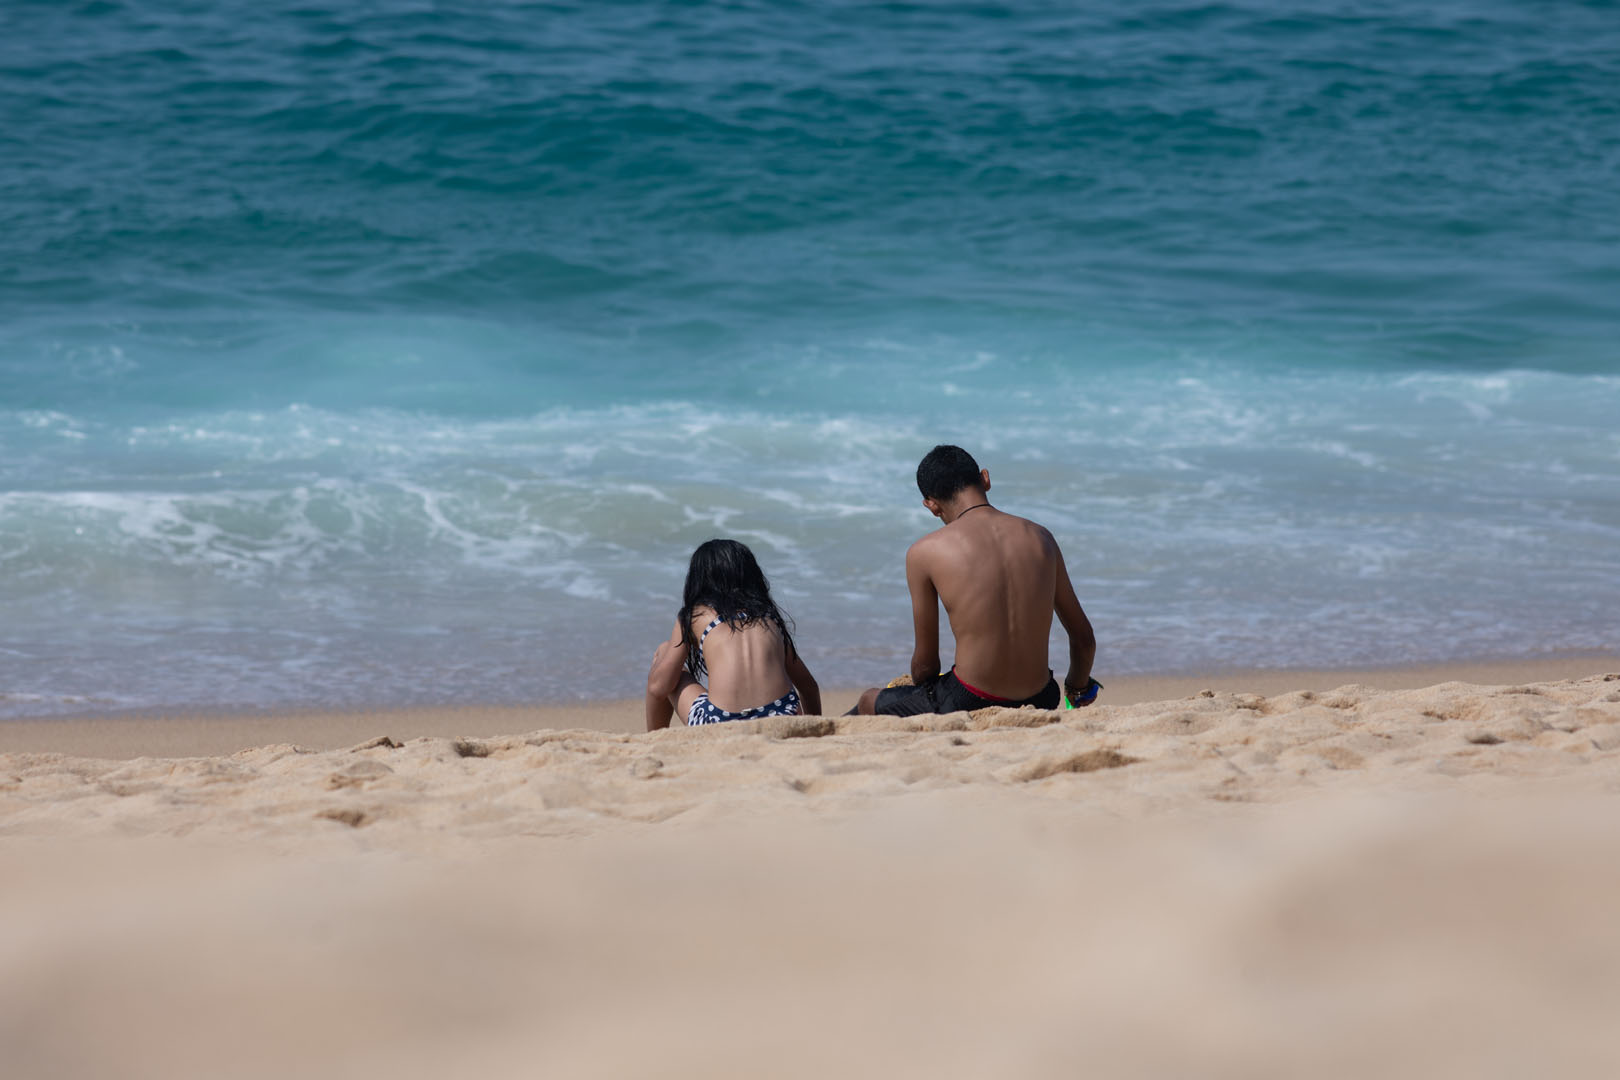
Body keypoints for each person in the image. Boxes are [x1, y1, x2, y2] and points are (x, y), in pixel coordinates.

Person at [853, 444, 1098, 716]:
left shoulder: (924, 552)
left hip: (969, 698)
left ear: (931, 505)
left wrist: (922, 688)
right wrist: (1077, 688)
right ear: (985, 479)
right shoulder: (1042, 537)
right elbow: (1084, 639)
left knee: (868, 700)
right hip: (1042, 696)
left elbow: (925, 666)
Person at [646, 538, 822, 730]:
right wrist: (811, 729)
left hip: (721, 724)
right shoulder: (768, 617)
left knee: (664, 651)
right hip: (783, 717)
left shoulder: (694, 616)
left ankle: (655, 737)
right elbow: (808, 686)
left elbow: (659, 688)